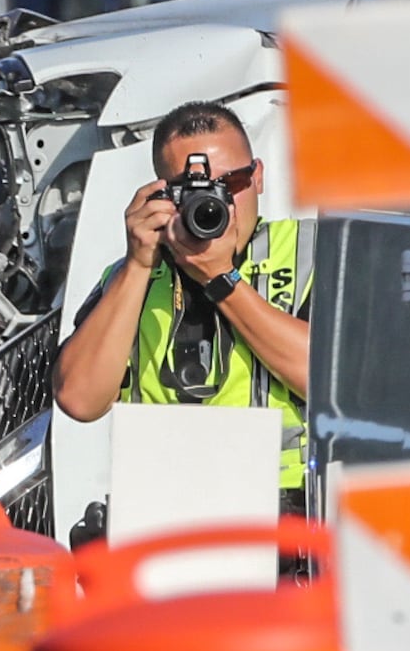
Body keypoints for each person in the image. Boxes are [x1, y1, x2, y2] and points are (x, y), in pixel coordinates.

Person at [54, 101, 313, 516]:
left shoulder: (311, 254)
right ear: (161, 193)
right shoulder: (130, 276)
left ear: (259, 175)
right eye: (192, 190)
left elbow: (338, 385)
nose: (218, 203)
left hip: (287, 520)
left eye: (233, 182)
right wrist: (138, 264)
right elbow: (79, 400)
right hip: (162, 522)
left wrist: (221, 279)